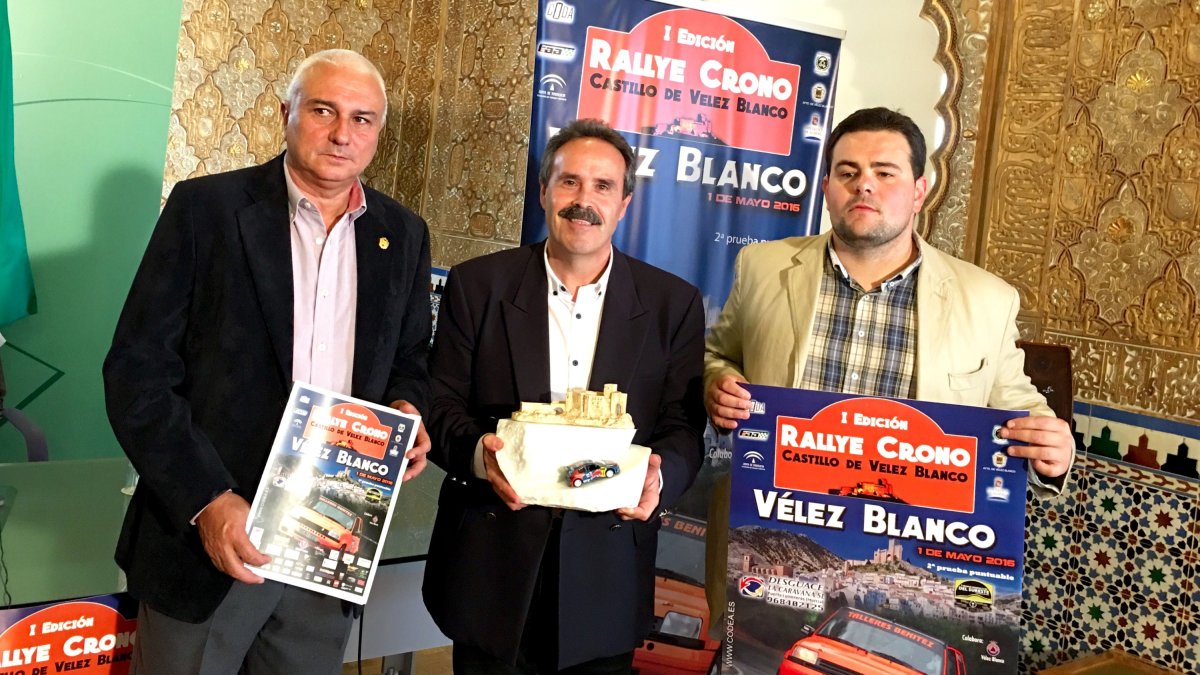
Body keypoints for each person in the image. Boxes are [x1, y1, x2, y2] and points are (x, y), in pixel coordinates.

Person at [103, 49, 432, 675]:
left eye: (362, 119)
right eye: (324, 111)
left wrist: (407, 409)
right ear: (286, 114)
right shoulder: (205, 210)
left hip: (329, 547)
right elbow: (137, 373)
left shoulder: (404, 233)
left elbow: (411, 357)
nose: (342, 134)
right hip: (209, 543)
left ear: (378, 132)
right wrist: (206, 499)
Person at [702, 107, 1074, 626]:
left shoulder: (987, 300)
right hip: (770, 531)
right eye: (848, 172)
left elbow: (1020, 408)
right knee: (755, 653)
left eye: (884, 172)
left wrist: (1054, 448)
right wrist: (717, 382)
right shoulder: (764, 267)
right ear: (826, 186)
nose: (864, 186)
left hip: (918, 540)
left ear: (919, 190)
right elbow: (718, 354)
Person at [422, 119, 707, 673]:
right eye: (569, 182)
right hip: (491, 563)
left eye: (603, 186)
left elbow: (682, 424)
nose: (584, 201)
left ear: (624, 204)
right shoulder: (478, 286)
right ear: (544, 191)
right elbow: (439, 403)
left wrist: (661, 475)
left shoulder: (672, 304)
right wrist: (481, 456)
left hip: (608, 571)